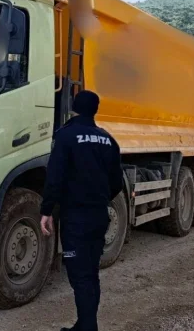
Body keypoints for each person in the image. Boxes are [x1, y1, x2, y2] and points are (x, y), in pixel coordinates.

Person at [40, 90, 123, 331]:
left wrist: (47, 210)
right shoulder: (108, 140)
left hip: (75, 218)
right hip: (98, 216)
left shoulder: (65, 136)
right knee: (90, 272)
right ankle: (86, 324)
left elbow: (54, 178)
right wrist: (98, 199)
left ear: (74, 108)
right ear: (95, 110)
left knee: (79, 275)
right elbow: (116, 181)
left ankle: (87, 328)